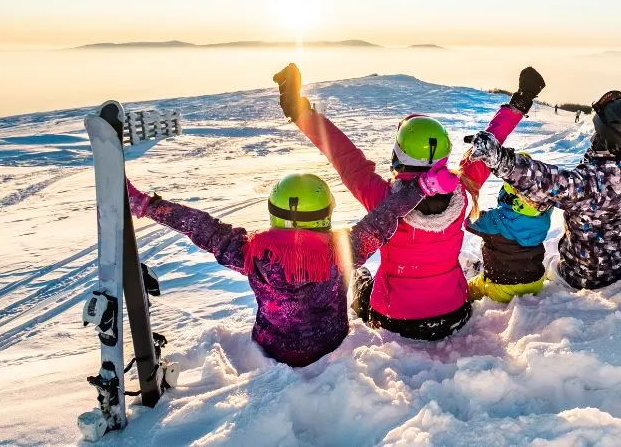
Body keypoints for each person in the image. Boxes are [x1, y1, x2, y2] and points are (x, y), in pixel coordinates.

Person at [274, 63, 545, 340]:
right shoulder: (463, 188)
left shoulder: (384, 200)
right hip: (454, 312)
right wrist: (520, 101)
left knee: (361, 280)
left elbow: (344, 156)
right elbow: (490, 143)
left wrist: (300, 112)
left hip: (395, 319)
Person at [123, 162, 459, 367]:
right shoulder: (343, 251)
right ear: (325, 214)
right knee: (362, 278)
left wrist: (148, 206)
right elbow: (384, 217)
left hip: (274, 348)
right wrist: (422, 187)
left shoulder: (250, 252)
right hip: (330, 343)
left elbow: (202, 227)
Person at [467, 69, 621, 291]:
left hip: (580, 280)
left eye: (598, 133)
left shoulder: (590, 184)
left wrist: (498, 158)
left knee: (547, 269)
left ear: (607, 140)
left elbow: (542, 180)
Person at [465, 153, 553, 303]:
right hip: (535, 282)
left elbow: (469, 221)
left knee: (468, 288)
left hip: (502, 287)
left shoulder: (495, 220)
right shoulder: (542, 217)